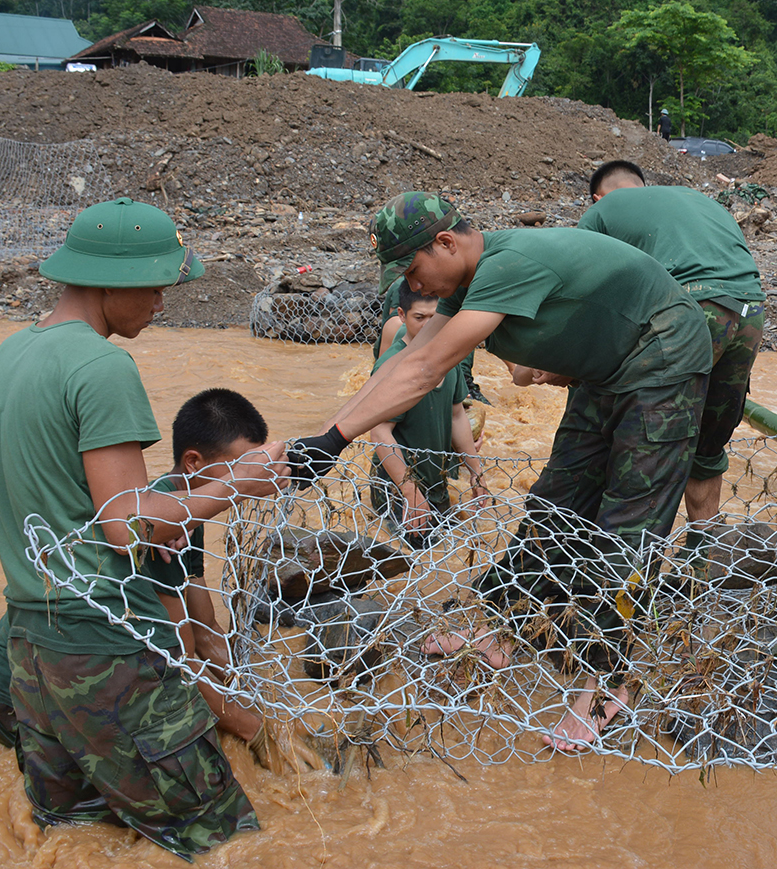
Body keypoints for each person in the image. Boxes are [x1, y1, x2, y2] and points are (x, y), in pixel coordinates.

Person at [289, 192, 713, 750]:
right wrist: (320, 438)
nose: (414, 286)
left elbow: (427, 370)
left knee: (627, 524)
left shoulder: (507, 265)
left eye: (413, 272)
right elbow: (404, 363)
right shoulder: (464, 287)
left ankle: (608, 685)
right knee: (555, 500)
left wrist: (336, 439)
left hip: (665, 356)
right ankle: (502, 627)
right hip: (608, 370)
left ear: (446, 243)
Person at [0, 196, 290, 859]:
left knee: (78, 838)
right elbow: (126, 524)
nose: (160, 301)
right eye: (153, 285)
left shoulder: (11, 354)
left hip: (31, 648)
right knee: (223, 840)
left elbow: (68, 506)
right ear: (109, 280)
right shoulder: (102, 366)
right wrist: (238, 483)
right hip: (106, 645)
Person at [0, 387, 277, 754]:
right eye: (240, 468)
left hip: (61, 668)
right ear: (193, 462)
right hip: (15, 693)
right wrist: (257, 731)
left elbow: (206, 631)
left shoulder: (189, 512)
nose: (251, 477)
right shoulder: (158, 526)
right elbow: (181, 662)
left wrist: (260, 701)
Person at [580, 160, 766, 528]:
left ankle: (629, 556)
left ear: (598, 197)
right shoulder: (699, 200)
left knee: (644, 438)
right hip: (750, 310)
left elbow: (586, 288)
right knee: (707, 447)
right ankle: (705, 550)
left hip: (691, 310)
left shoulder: (603, 210)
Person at [369, 281, 489, 548]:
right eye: (419, 318)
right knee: (420, 553)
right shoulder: (392, 366)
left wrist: (476, 472)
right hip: (396, 488)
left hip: (436, 481)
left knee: (458, 544)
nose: (427, 326)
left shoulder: (448, 359)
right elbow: (379, 432)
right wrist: (410, 493)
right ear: (402, 315)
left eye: (434, 318)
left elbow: (457, 416)